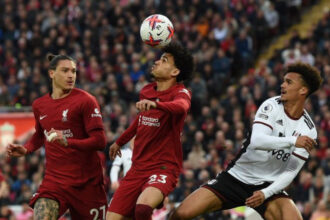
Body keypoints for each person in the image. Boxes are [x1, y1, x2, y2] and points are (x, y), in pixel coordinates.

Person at [169, 62, 322, 220]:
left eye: (289, 82)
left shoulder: (309, 130)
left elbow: (290, 171)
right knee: (181, 214)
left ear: (303, 90)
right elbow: (257, 141)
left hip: (268, 185)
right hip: (236, 177)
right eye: (283, 81)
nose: (282, 85)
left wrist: (265, 193)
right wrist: (292, 141)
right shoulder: (271, 106)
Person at [7, 54, 107, 220]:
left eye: (74, 71)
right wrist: (26, 149)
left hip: (87, 184)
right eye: (65, 70)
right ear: (51, 73)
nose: (71, 75)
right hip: (55, 182)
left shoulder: (86, 101)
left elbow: (100, 141)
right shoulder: (39, 105)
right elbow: (40, 135)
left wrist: (68, 142)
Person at [107, 42, 194, 220]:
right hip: (138, 168)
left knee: (142, 209)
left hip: (163, 167)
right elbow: (141, 121)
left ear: (175, 72)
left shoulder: (180, 92)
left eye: (163, 60)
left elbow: (181, 107)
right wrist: (119, 141)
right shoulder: (147, 91)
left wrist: (157, 105)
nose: (156, 62)